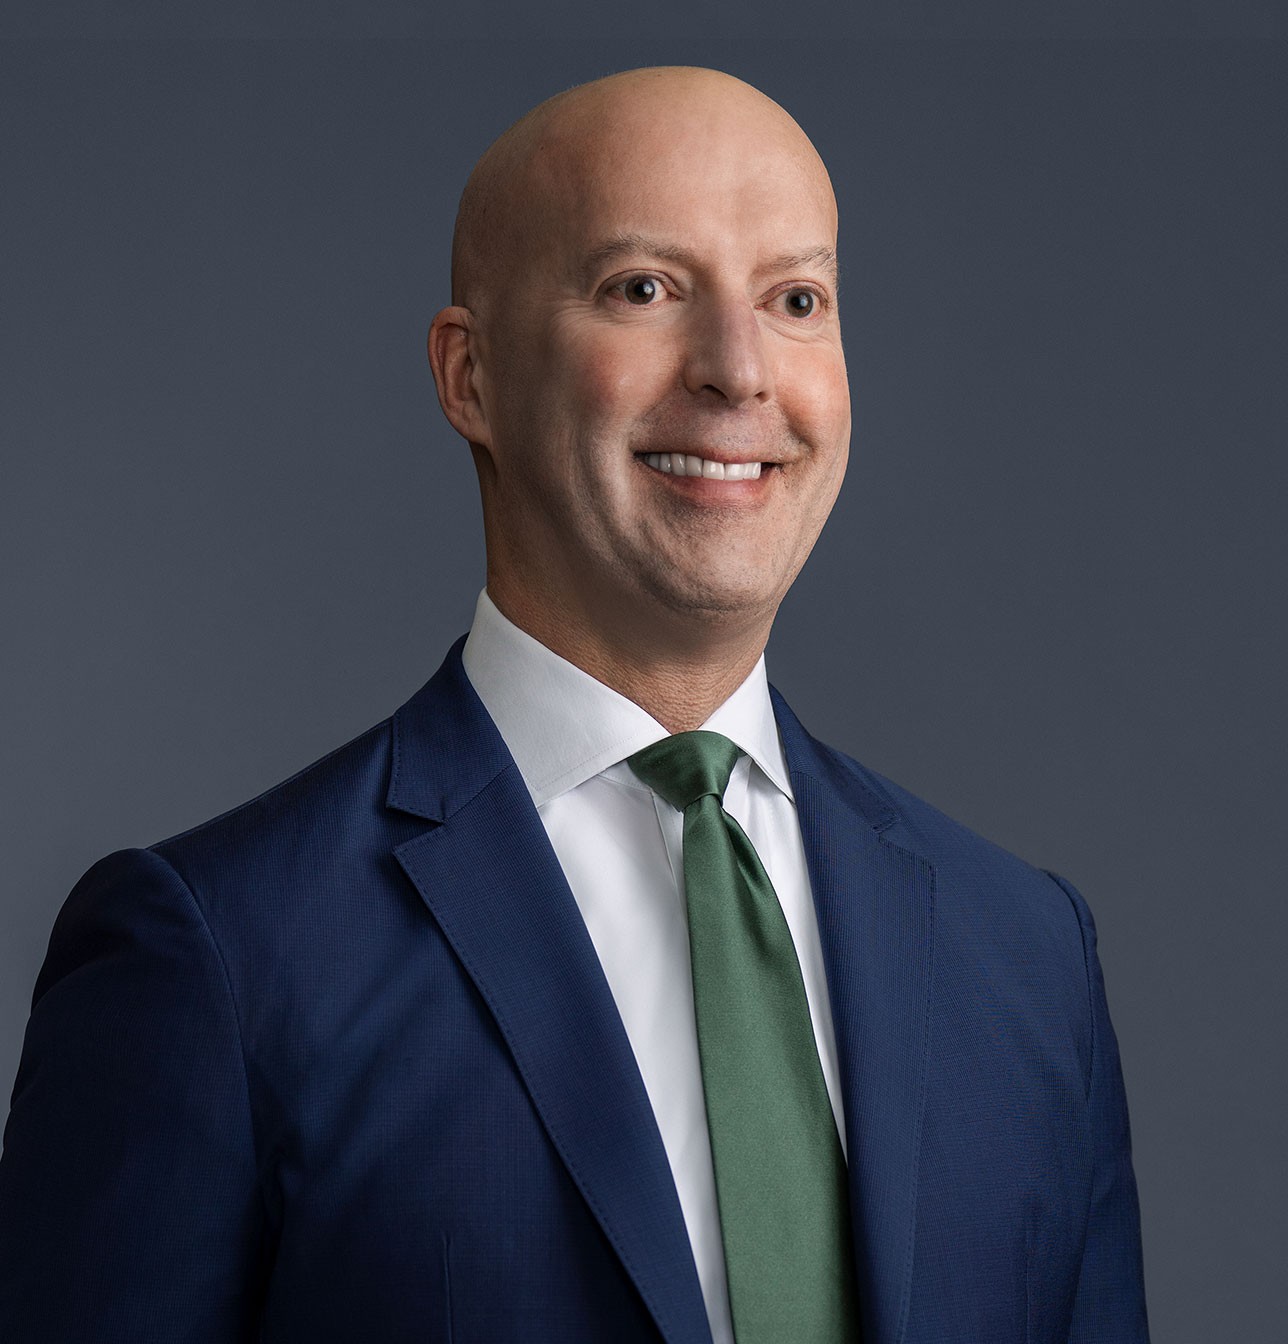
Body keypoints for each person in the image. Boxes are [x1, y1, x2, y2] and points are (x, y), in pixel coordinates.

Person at [0, 67, 1148, 1343]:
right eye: (643, 289)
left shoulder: (1028, 955)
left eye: (794, 300)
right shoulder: (216, 958)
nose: (737, 371)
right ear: (471, 377)